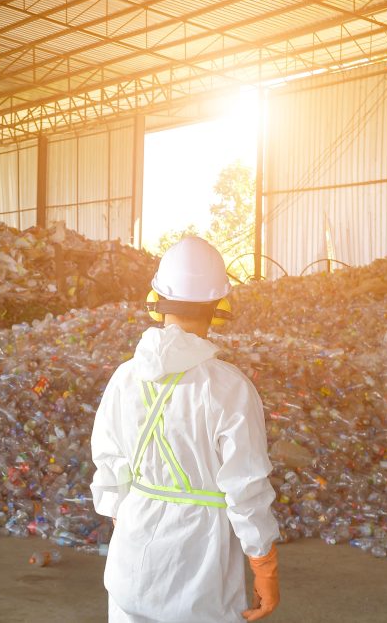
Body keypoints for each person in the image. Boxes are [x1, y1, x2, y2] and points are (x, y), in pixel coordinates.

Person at [91, 236, 281, 622]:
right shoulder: (229, 388)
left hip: (131, 562)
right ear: (218, 306)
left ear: (156, 301)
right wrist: (264, 566)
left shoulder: (124, 378)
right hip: (200, 570)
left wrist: (134, 517)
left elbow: (109, 471)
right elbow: (246, 487)